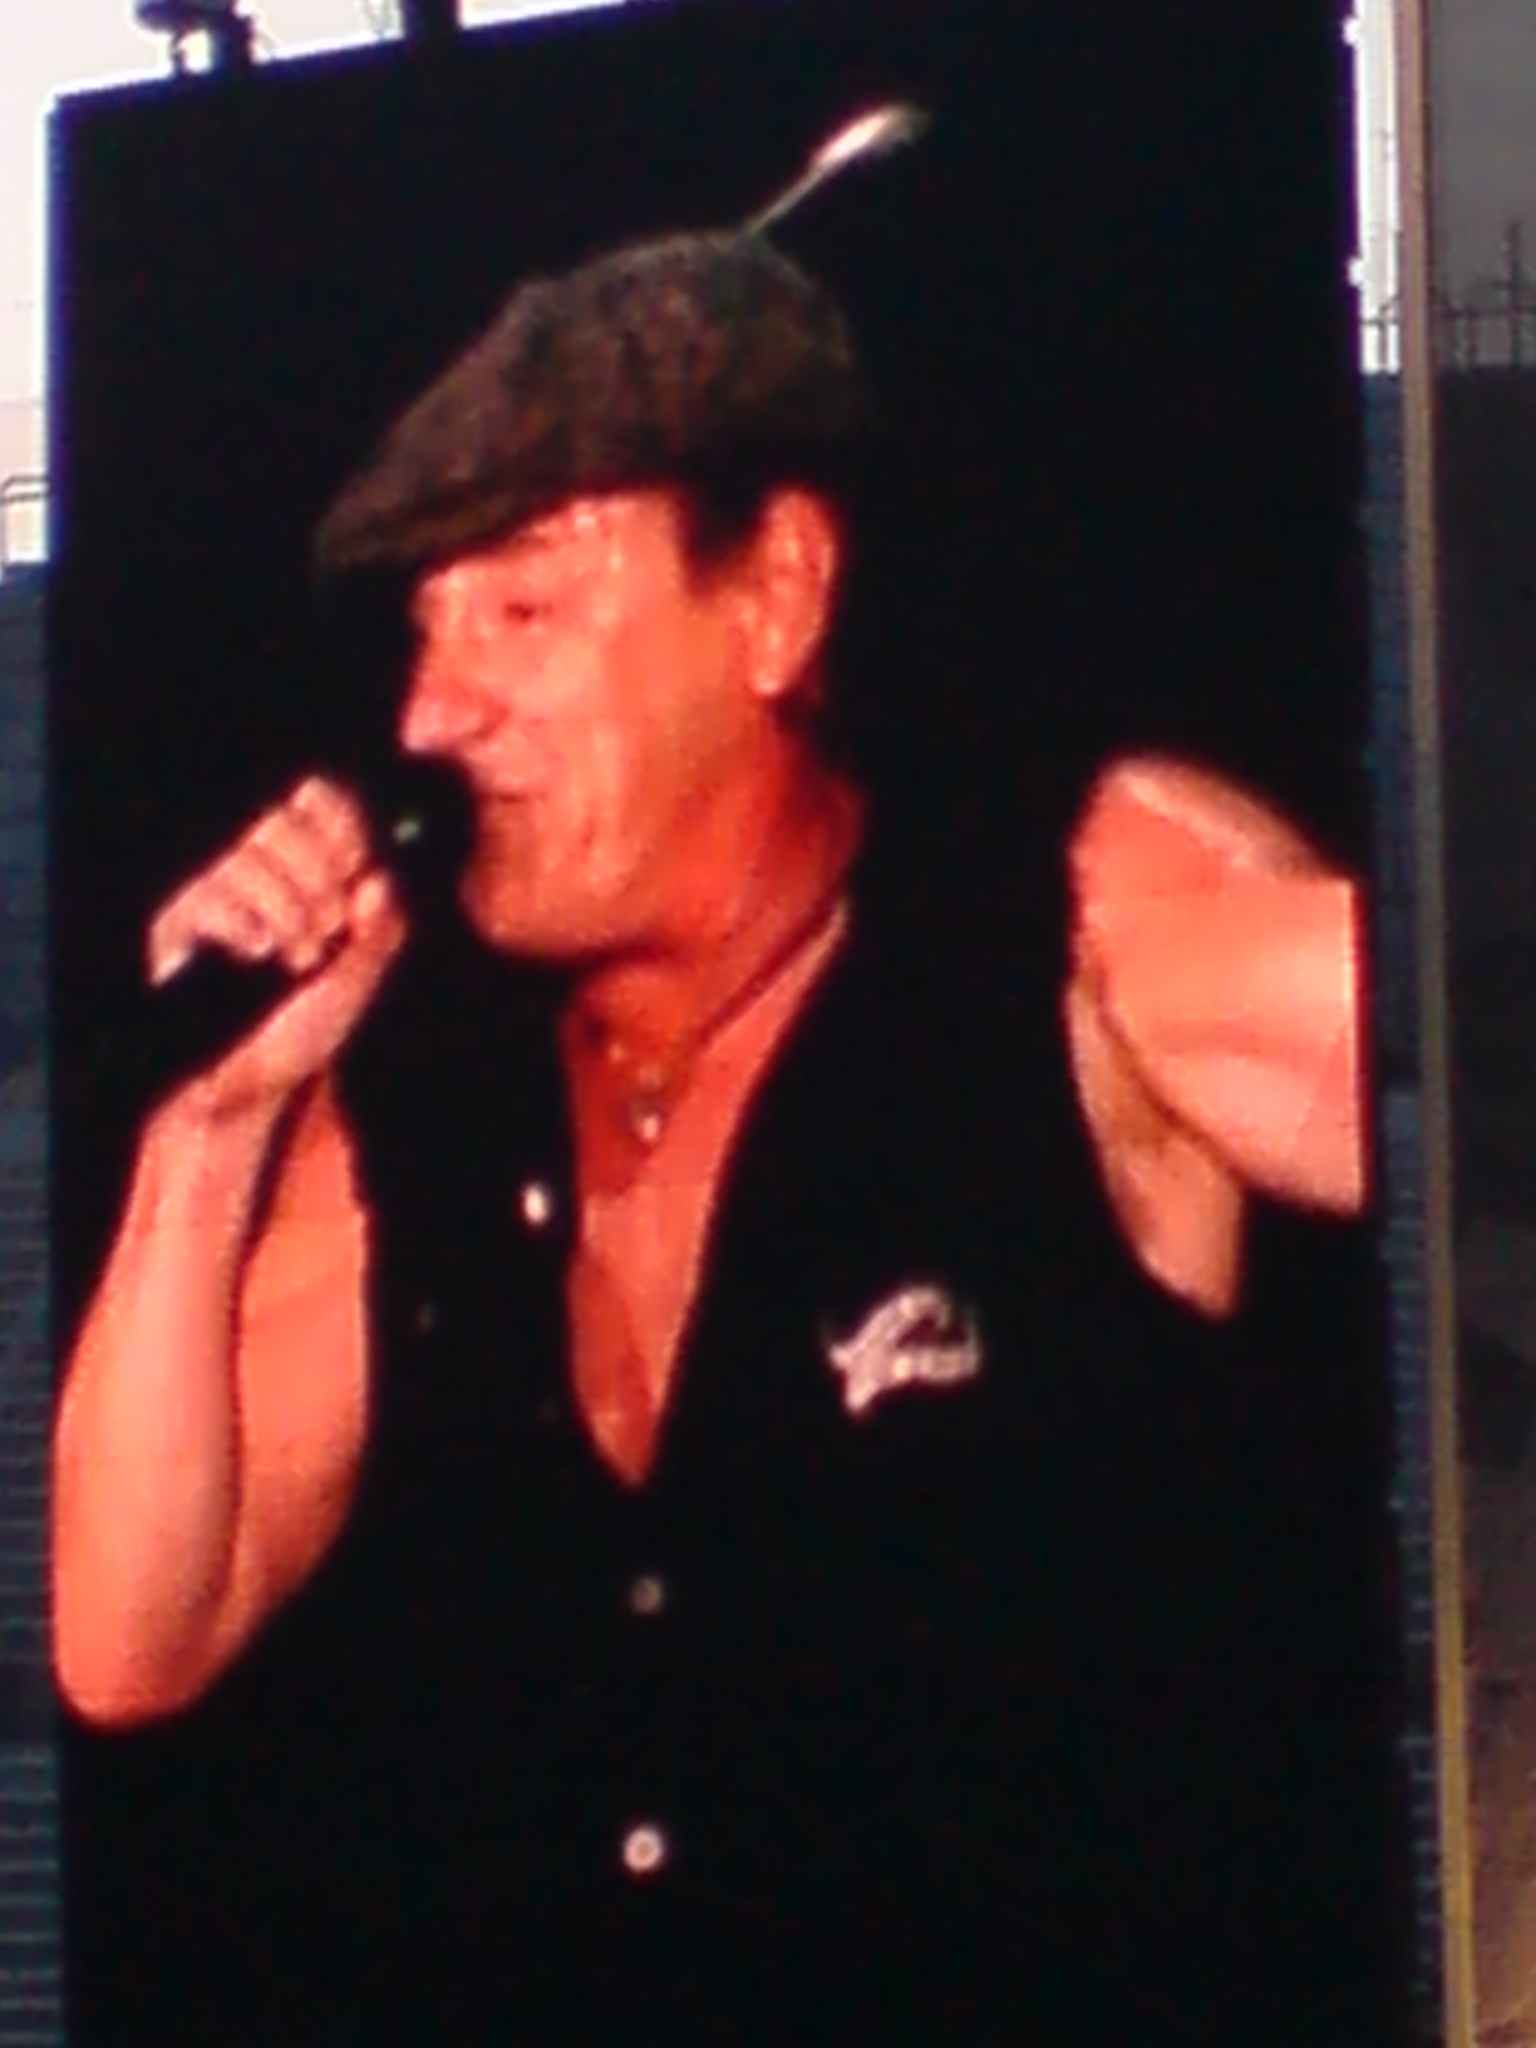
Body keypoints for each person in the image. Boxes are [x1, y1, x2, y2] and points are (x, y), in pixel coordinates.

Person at [52, 232, 1366, 2044]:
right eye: (429, 632)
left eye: (523, 616)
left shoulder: (1066, 927)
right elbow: (129, 1640)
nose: (435, 713)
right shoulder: (429, 1093)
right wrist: (211, 1133)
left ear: (773, 604)